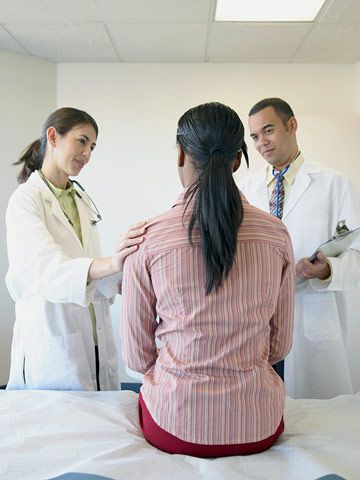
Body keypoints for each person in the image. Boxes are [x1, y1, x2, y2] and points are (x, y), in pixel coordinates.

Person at [120, 102, 295, 457]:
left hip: (174, 426)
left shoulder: (148, 237)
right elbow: (280, 347)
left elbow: (137, 359)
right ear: (237, 161)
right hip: (258, 426)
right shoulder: (276, 235)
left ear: (181, 154)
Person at [5, 107, 145, 391]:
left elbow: (87, 269)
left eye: (92, 147)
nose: (87, 154)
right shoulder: (26, 200)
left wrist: (127, 272)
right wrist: (113, 263)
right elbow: (43, 269)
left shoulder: (81, 198)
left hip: (93, 336)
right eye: (82, 141)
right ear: (53, 136)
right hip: (53, 338)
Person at [238, 97, 360, 399]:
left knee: (316, 418)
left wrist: (327, 269)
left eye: (269, 131)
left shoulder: (334, 184)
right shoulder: (246, 190)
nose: (262, 142)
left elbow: (356, 252)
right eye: (254, 137)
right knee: (262, 408)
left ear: (291, 125)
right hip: (259, 315)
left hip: (312, 311)